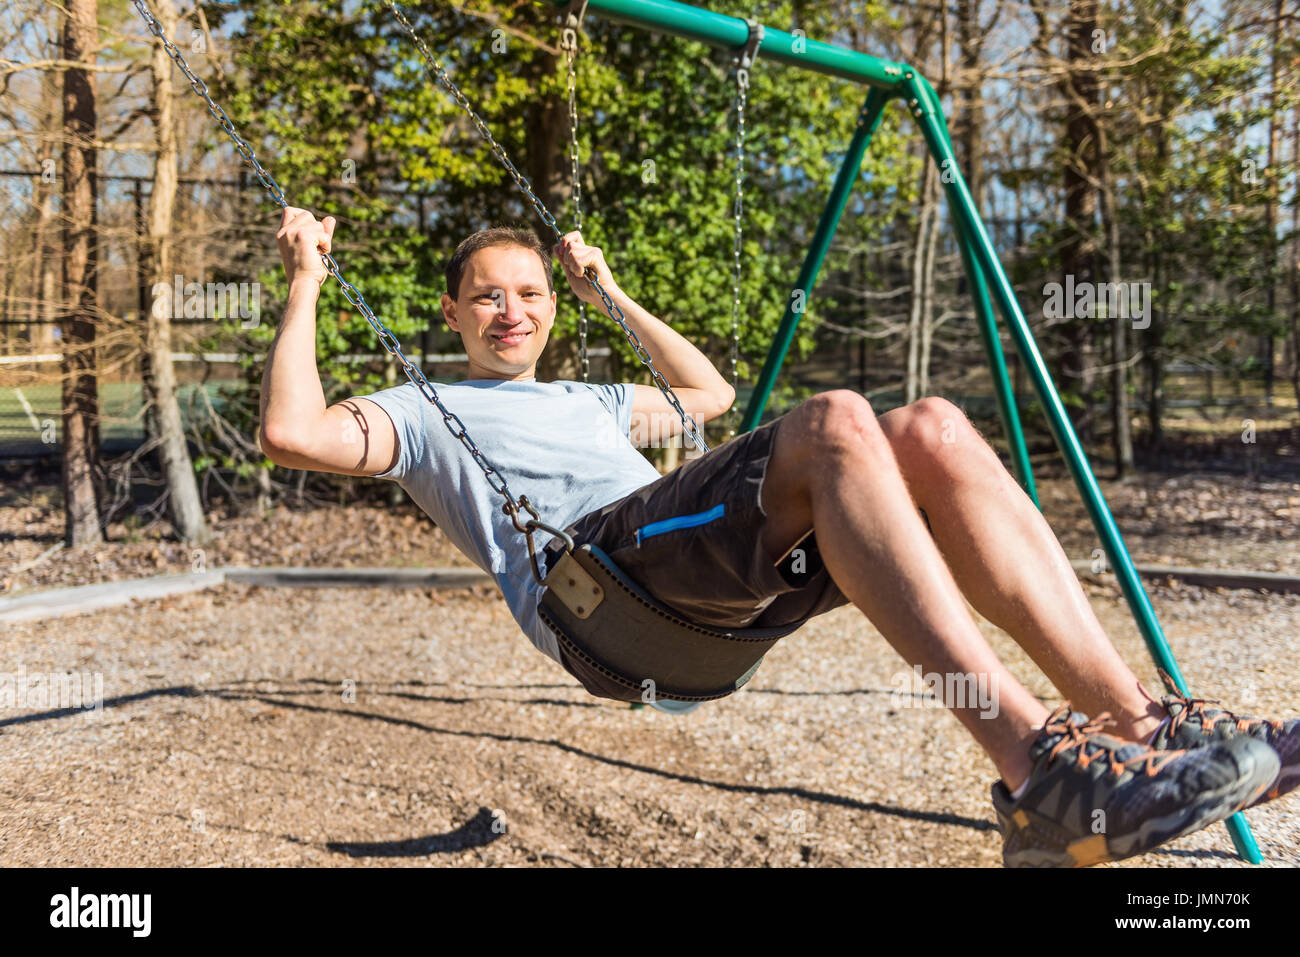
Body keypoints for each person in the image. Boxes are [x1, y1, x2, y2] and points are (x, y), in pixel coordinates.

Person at [259, 207, 1296, 867]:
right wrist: (307, 275)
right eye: (486, 295)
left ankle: (1133, 724)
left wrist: (605, 291)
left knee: (929, 425)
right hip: (603, 589)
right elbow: (292, 433)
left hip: (703, 590)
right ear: (451, 312)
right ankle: (1041, 781)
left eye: (527, 294)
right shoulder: (421, 409)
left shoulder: (593, 395)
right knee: (835, 417)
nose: (509, 310)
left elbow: (703, 393)